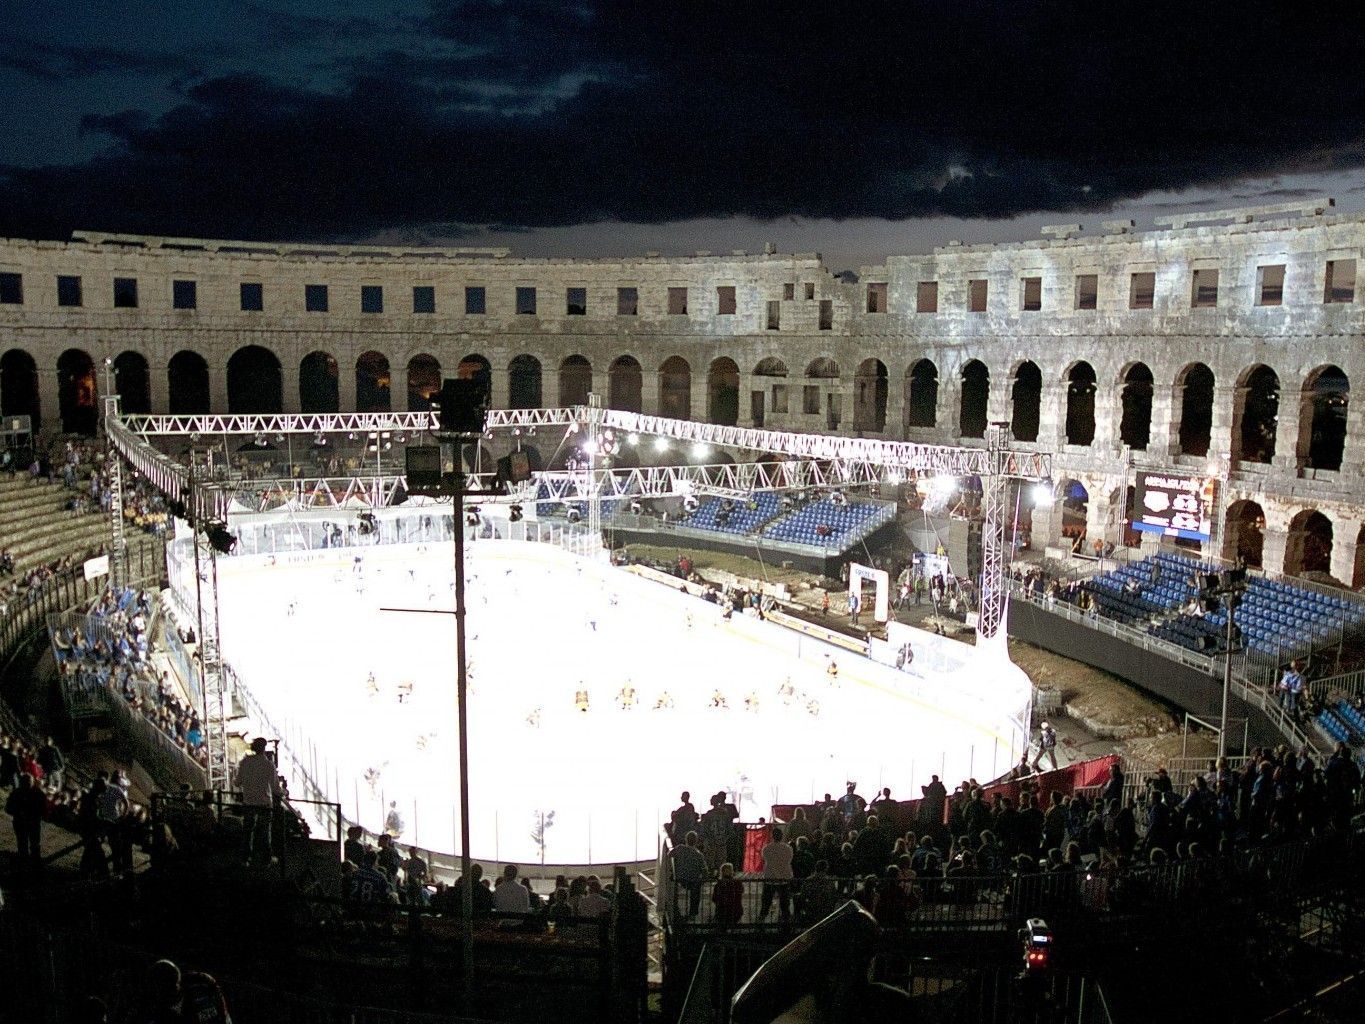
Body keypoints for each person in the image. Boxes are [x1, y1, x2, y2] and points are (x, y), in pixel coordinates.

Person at [235, 736, 282, 866]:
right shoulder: (269, 765)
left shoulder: (245, 762)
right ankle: (265, 859)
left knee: (247, 831)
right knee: (265, 832)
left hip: (249, 803)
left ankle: (245, 859)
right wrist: (282, 793)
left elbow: (237, 782)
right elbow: (275, 788)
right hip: (264, 804)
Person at [6, 771, 46, 868]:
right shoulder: (20, 793)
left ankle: (32, 863)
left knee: (31, 844)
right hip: (26, 823)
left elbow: (42, 809)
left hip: (28, 822)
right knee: (27, 843)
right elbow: (9, 808)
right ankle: (29, 863)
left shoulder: (35, 793)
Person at [672, 831, 708, 918]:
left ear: (686, 839)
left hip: (680, 877)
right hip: (693, 880)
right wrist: (705, 877)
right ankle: (693, 912)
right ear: (696, 841)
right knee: (696, 891)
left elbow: (669, 855)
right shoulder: (699, 854)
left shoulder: (679, 848)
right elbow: (704, 870)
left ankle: (675, 909)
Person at [712, 862, 744, 927]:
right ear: (732, 871)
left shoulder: (719, 884)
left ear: (722, 872)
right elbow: (741, 891)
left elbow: (714, 899)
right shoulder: (737, 882)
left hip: (722, 913)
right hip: (736, 912)